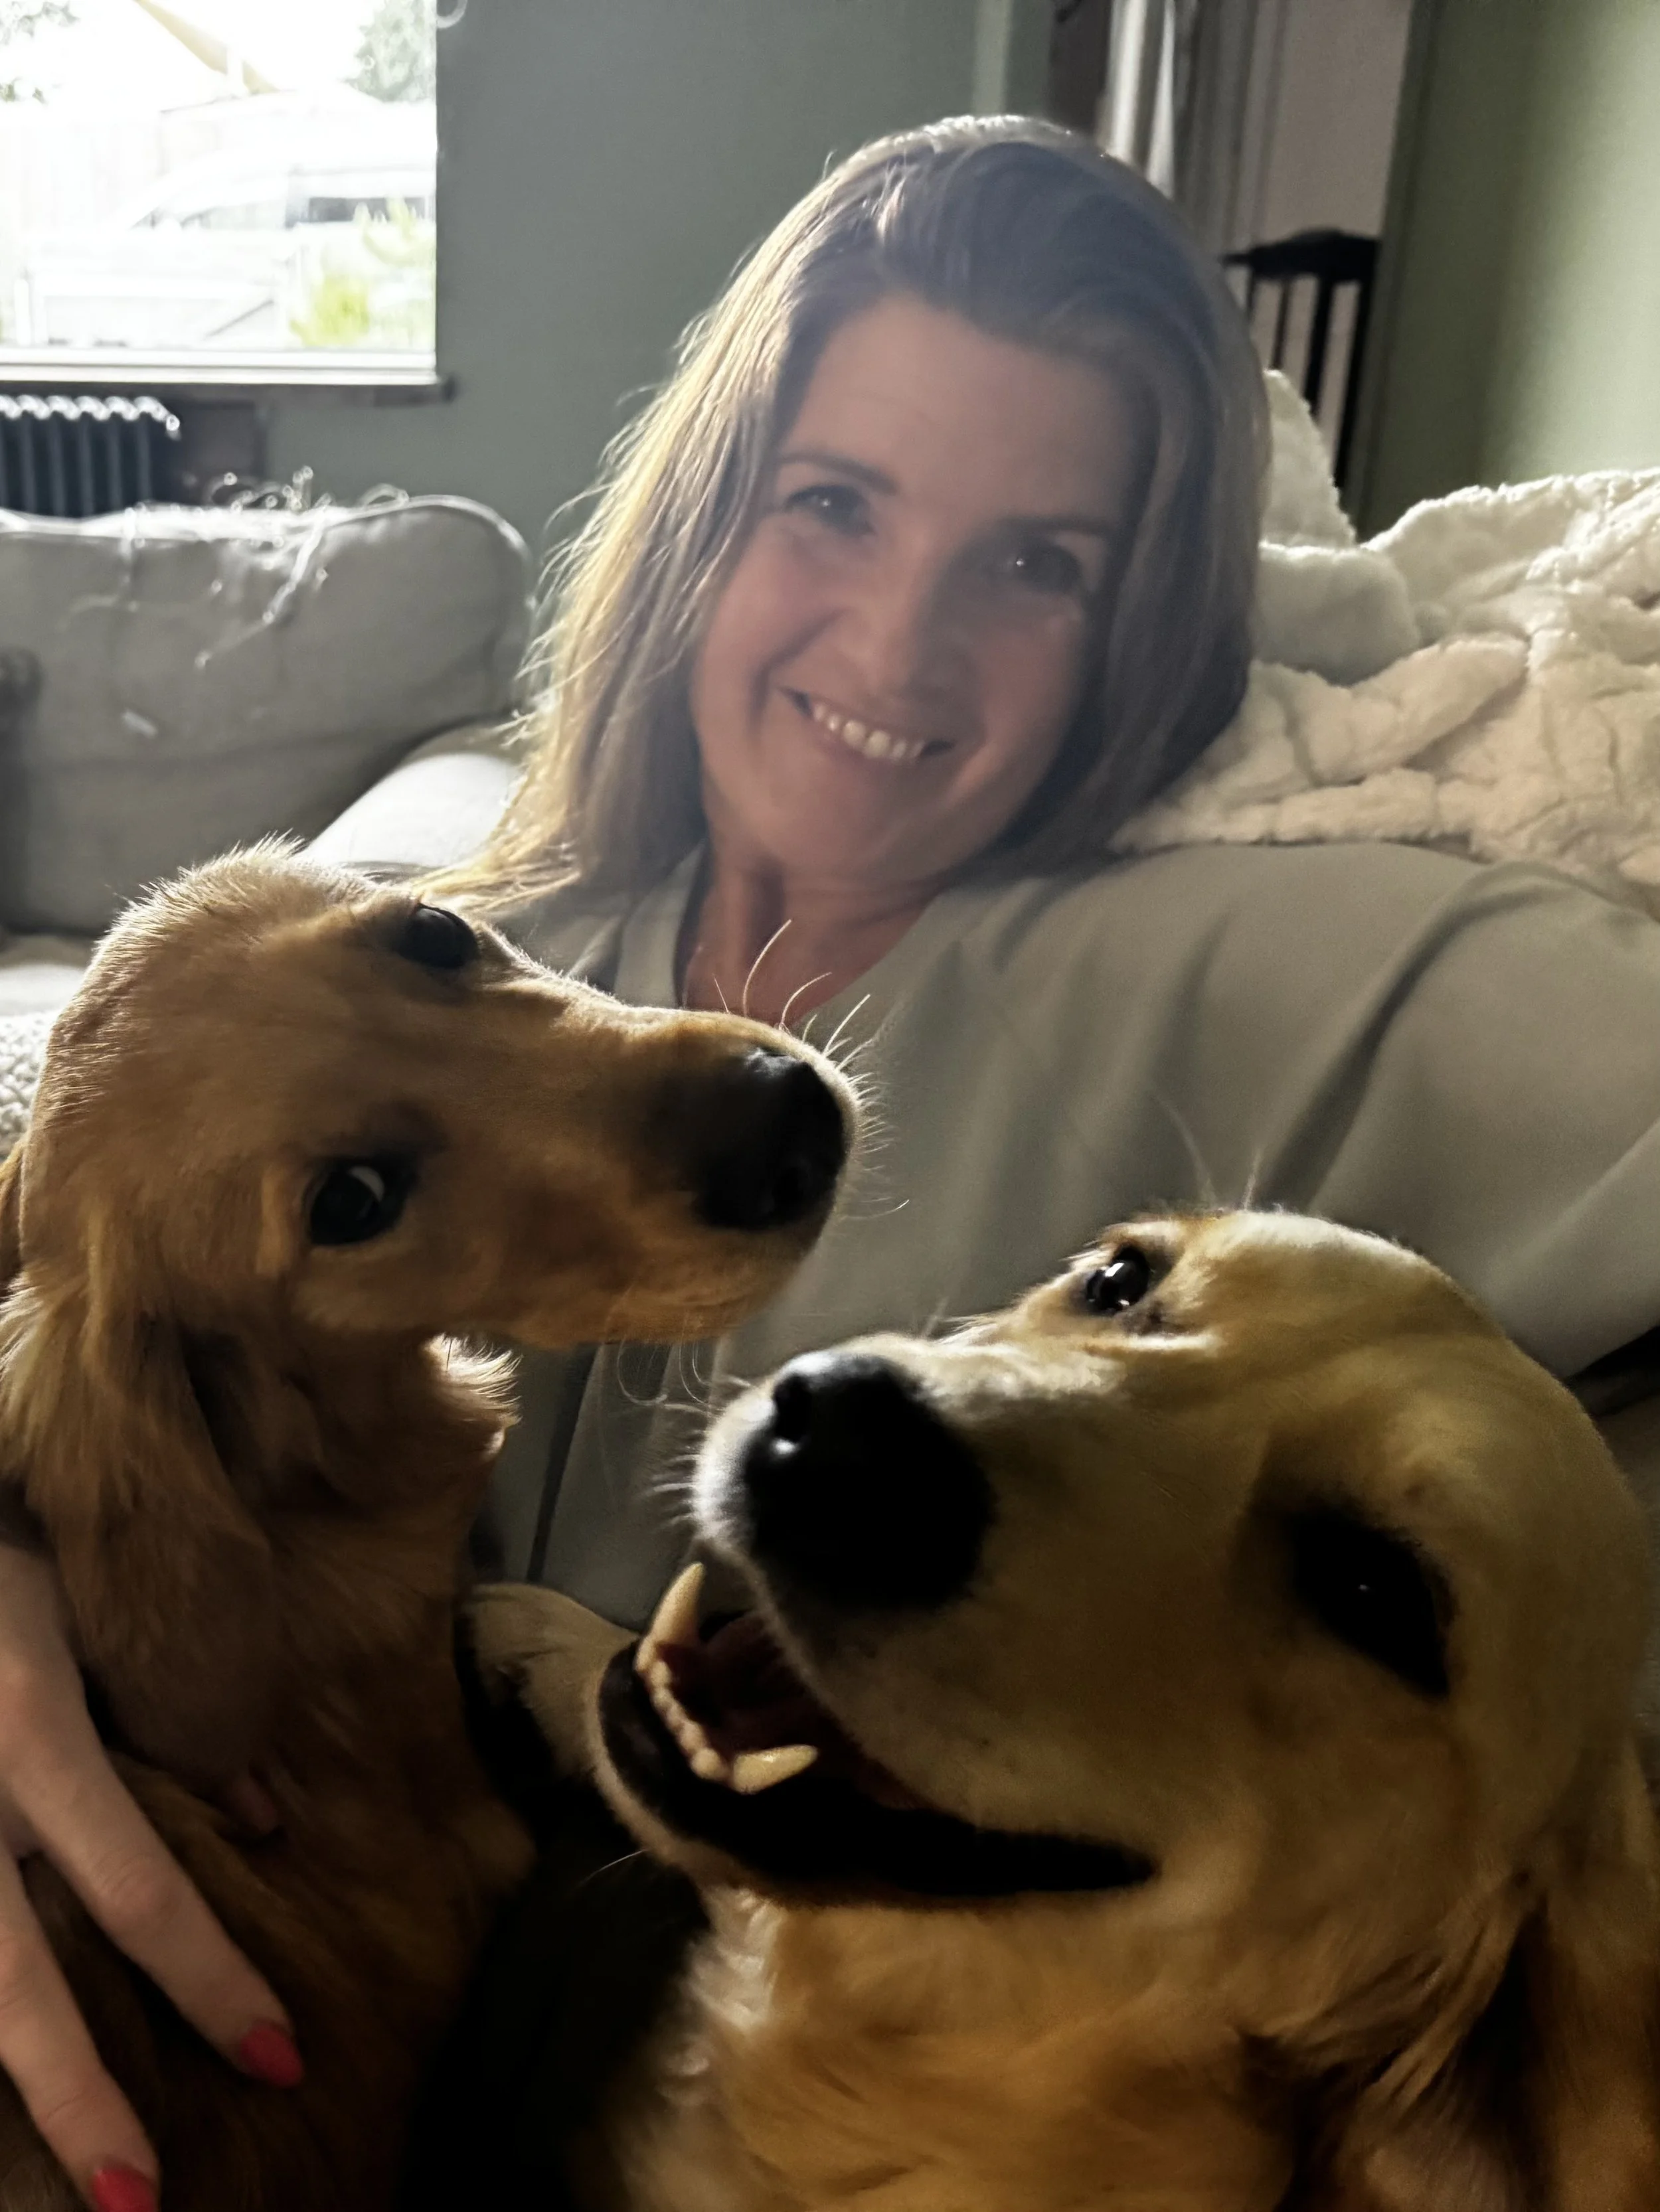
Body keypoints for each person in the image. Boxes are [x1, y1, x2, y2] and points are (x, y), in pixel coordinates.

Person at [7, 114, 1660, 2209]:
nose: (894, 650)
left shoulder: (1292, 957)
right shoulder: (511, 911)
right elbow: (91, 1150)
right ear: (704, 521)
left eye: (1035, 564)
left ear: (1143, 621)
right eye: (833, 506)